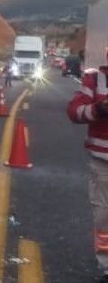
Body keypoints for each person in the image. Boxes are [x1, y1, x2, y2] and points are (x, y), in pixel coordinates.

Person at [67, 63, 108, 280]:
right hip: (103, 162)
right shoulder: (95, 80)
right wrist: (99, 109)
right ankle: (107, 266)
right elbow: (75, 112)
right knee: (104, 217)